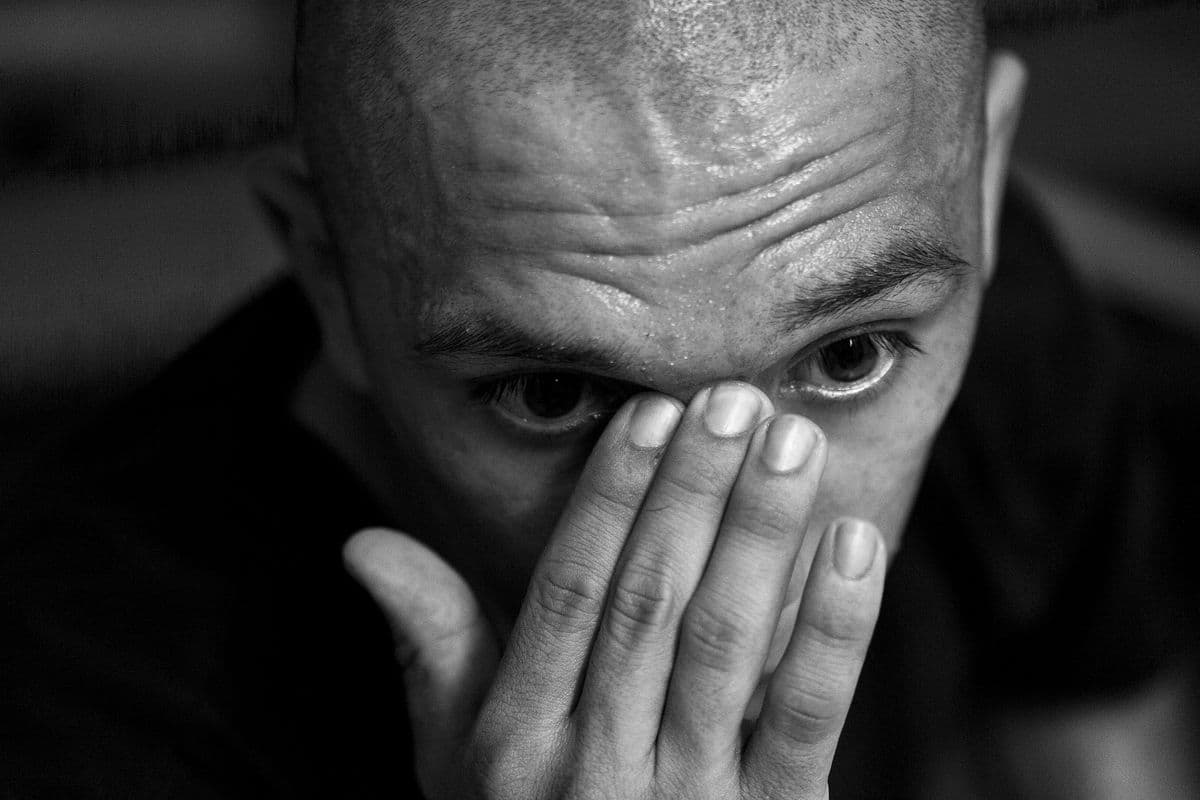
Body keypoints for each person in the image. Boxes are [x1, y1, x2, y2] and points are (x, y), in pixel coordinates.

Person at [3, 1, 1197, 797]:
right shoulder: (84, 699)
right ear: (327, 271)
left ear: (980, 186)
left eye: (847, 359)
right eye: (554, 390)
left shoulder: (1003, 314)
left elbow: (1098, 735)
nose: (739, 540)